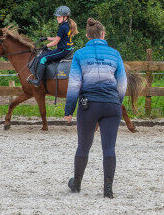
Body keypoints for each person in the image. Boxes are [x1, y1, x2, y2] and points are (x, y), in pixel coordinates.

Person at [64, 18, 127, 199]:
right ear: (103, 34)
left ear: (86, 35)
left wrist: (69, 110)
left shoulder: (79, 55)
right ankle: (108, 188)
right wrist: (117, 101)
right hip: (111, 105)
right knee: (109, 148)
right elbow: (122, 84)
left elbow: (74, 84)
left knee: (83, 147)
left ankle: (76, 183)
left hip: (88, 105)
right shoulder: (115, 54)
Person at [28, 6, 79, 86]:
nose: (57, 18)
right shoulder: (68, 25)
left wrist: (46, 46)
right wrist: (46, 38)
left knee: (42, 58)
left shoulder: (62, 27)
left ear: (65, 17)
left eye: (59, 17)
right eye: (57, 17)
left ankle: (38, 81)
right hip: (68, 49)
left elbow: (55, 42)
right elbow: (58, 38)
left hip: (62, 51)